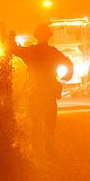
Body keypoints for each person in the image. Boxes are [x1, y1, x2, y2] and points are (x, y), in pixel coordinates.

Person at [10, 23, 75, 158]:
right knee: (50, 124)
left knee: (36, 124)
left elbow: (13, 50)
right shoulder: (53, 52)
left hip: (34, 91)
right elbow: (69, 64)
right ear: (49, 37)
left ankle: (37, 151)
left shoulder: (30, 51)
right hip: (50, 92)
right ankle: (49, 150)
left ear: (36, 36)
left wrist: (10, 38)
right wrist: (64, 79)